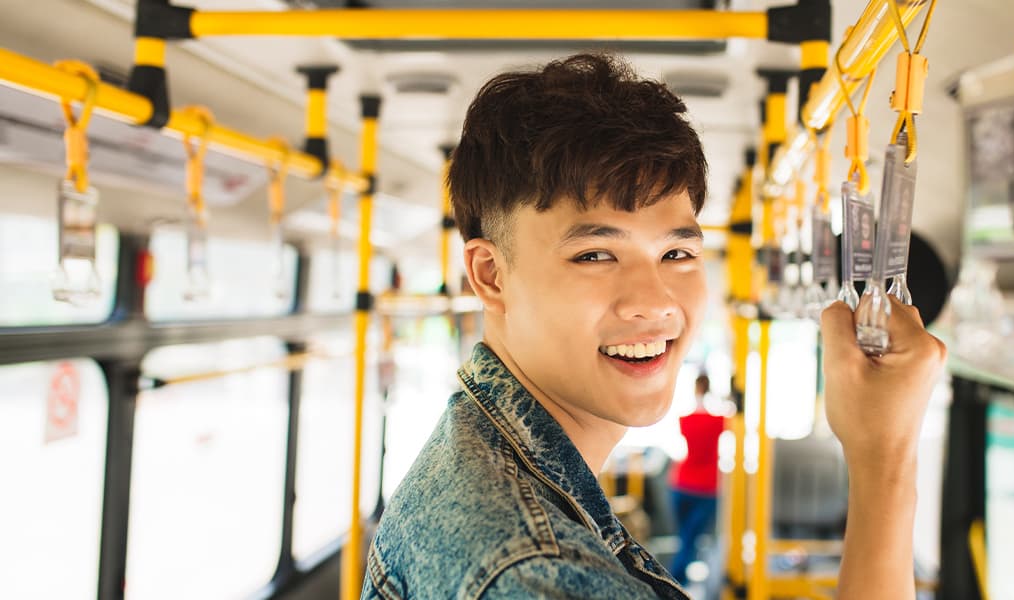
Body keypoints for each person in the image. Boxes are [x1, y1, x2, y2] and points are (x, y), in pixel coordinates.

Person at [362, 53, 946, 600]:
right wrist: (885, 458)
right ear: (490, 275)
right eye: (594, 255)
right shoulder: (537, 571)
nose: (654, 303)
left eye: (677, 255)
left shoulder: (482, 465)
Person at [668, 374, 725, 583]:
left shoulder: (685, 420)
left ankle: (676, 579)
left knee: (684, 536)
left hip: (681, 483)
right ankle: (676, 581)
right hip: (706, 487)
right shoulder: (719, 421)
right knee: (690, 538)